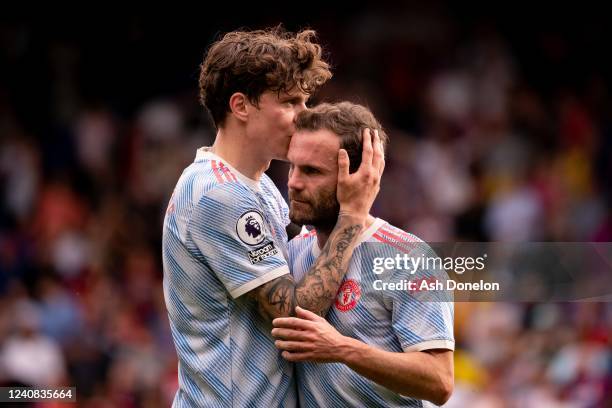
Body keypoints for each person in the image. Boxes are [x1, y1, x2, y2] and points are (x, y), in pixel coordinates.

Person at [161, 28, 384, 407]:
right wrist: (352, 214)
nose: (304, 116)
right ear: (241, 106)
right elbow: (297, 313)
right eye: (290, 102)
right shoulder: (217, 193)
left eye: (305, 101)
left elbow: (311, 262)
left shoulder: (258, 187)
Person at [273, 102, 455, 406]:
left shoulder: (407, 258)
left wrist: (343, 349)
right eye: (292, 166)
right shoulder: (292, 253)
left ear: (358, 176)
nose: (293, 183)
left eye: (312, 171)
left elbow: (439, 381)